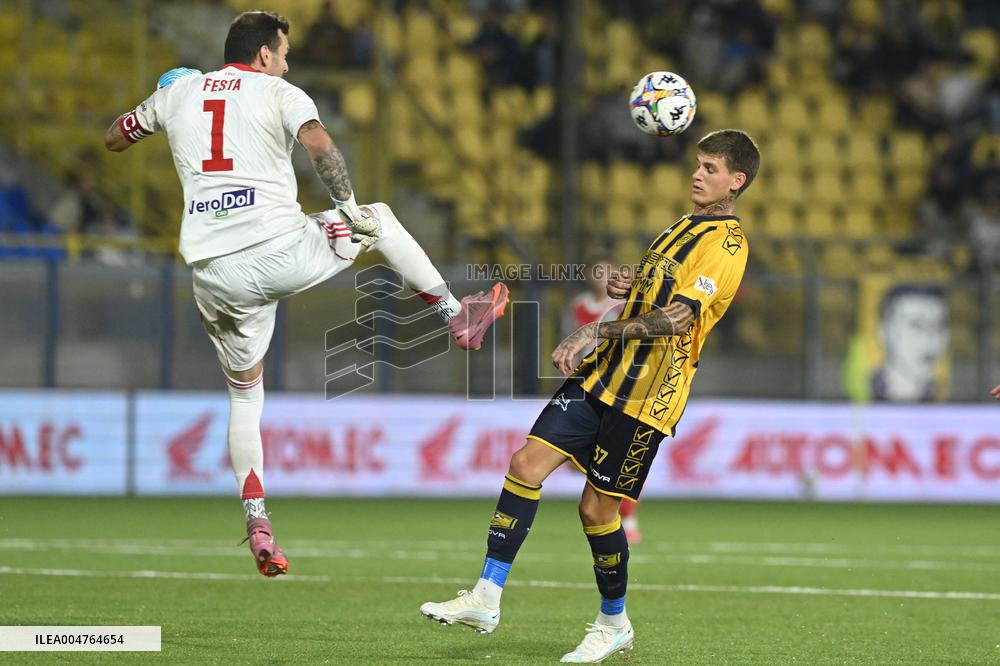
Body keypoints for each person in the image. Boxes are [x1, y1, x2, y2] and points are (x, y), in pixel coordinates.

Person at [103, 10, 508, 577]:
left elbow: (115, 138)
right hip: (277, 251)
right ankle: (454, 316)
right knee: (381, 219)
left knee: (245, 397)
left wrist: (160, 96)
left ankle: (257, 518)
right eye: (284, 52)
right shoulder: (279, 91)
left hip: (213, 275)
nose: (287, 61)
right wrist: (348, 213)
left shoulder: (180, 94)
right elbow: (320, 146)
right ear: (266, 55)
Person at [420, 129, 759, 663]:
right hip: (602, 378)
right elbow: (655, 296)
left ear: (736, 181)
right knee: (525, 463)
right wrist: (632, 286)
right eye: (697, 164)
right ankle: (485, 596)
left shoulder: (728, 245)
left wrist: (595, 331)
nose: (697, 174)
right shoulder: (680, 228)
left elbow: (678, 318)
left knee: (596, 508)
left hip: (647, 396)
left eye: (711, 168)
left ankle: (612, 623)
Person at [562, 254, 645, 544]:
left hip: (620, 386)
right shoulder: (578, 306)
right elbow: (569, 340)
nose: (602, 277)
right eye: (596, 271)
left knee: (620, 456)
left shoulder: (624, 307)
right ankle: (606, 512)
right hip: (587, 384)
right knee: (580, 459)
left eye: (607, 271)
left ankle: (629, 519)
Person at [870, 284, 949, 402]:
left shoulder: (946, 398)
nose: (929, 337)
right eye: (916, 325)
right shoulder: (860, 393)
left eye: (938, 326)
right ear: (885, 331)